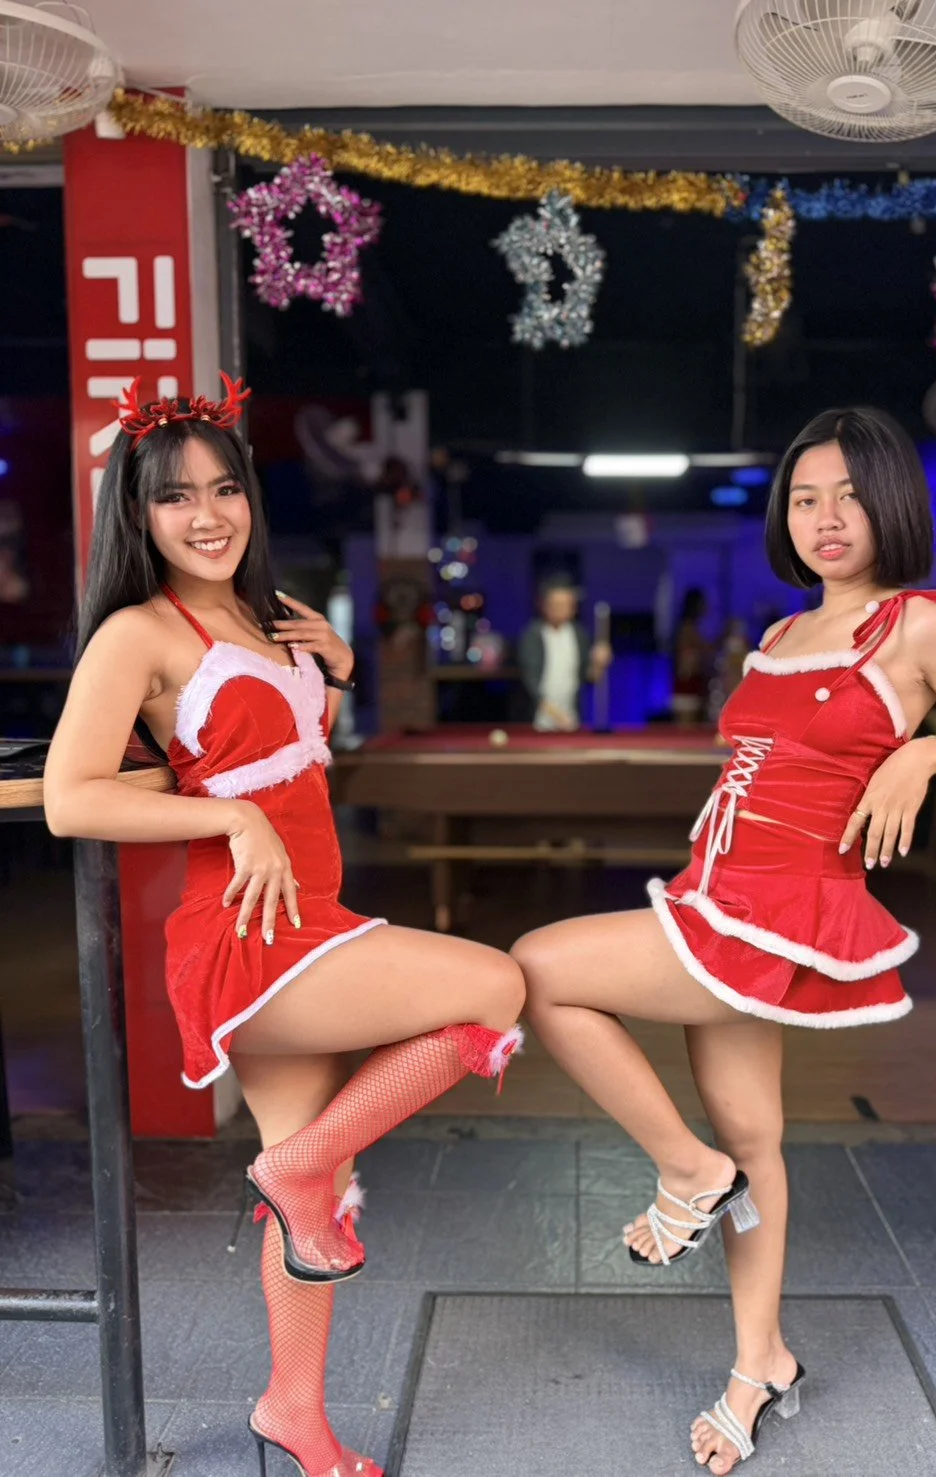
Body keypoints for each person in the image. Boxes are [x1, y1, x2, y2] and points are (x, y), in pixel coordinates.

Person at [511, 406, 936, 1474]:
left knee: (537, 968)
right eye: (805, 498)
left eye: (849, 493)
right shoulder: (779, 633)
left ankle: (680, 1172)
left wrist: (919, 758)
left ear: (893, 500)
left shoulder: (927, 628)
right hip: (716, 893)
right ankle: (761, 1361)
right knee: (755, 1144)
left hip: (776, 913)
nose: (826, 516)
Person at [43, 377, 525, 1477]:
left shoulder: (261, 618)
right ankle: (301, 1167)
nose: (207, 514)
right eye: (174, 499)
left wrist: (337, 675)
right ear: (138, 513)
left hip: (316, 914)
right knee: (496, 985)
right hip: (250, 934)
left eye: (225, 489)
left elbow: (290, 762)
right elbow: (74, 798)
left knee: (310, 1193)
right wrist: (231, 815)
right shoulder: (136, 633)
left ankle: (292, 1409)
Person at [517, 576, 611, 731]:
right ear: (545, 606)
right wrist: (556, 715)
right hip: (538, 721)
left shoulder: (579, 635)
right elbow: (530, 683)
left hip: (571, 720)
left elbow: (589, 677)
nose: (561, 609)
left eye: (566, 605)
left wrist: (599, 663)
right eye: (556, 604)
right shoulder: (532, 636)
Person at [672, 587, 716, 725]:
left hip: (693, 682)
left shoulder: (691, 627)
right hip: (687, 684)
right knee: (687, 727)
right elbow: (706, 649)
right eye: (703, 603)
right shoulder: (687, 628)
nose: (706, 607)